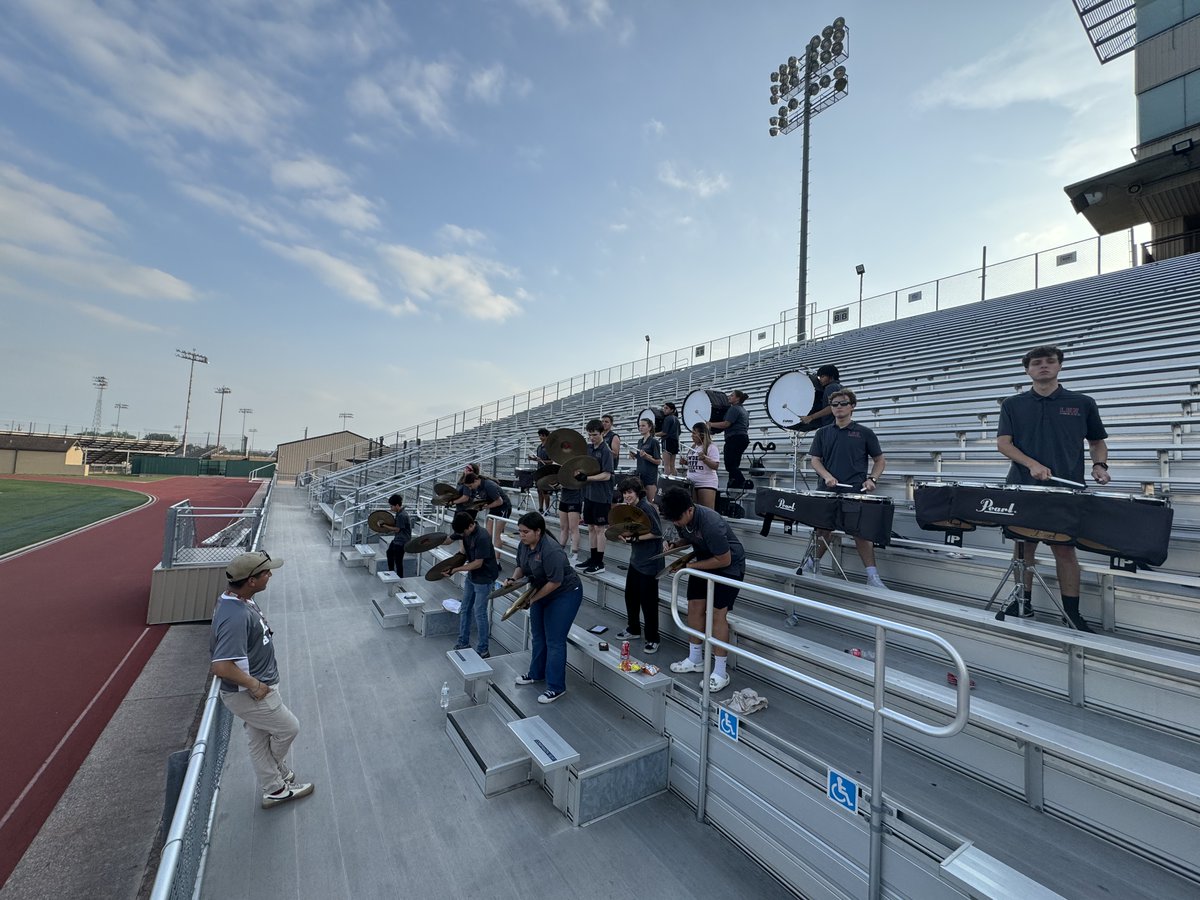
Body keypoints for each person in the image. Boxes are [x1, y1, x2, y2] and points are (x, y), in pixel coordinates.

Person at [996, 344, 1110, 632]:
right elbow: (1004, 444)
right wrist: (1031, 464)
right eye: (1036, 363)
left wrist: (1100, 466)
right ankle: (1023, 602)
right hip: (1023, 486)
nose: (1043, 366)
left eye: (1049, 361)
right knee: (1023, 547)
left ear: (1059, 365)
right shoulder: (1012, 404)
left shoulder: (1083, 402)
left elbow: (1096, 442)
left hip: (1066, 488)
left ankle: (1071, 613)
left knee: (1064, 549)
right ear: (1027, 370)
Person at [209, 551, 314, 809]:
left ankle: (274, 788)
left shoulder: (240, 600)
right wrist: (255, 685)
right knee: (289, 728)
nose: (270, 575)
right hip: (252, 692)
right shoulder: (235, 615)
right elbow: (221, 666)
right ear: (251, 580)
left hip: (255, 687)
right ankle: (276, 771)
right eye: (266, 572)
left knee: (257, 739)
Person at [791, 389, 888, 611]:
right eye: (834, 404)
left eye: (843, 403)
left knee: (861, 533)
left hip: (855, 490)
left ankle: (872, 576)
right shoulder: (823, 432)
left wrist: (872, 479)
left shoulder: (864, 433)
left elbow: (880, 460)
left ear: (852, 406)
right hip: (827, 490)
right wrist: (827, 477)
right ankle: (811, 564)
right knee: (822, 530)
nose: (838, 407)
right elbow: (815, 460)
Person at [662, 488, 745, 692]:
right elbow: (689, 539)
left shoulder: (711, 522)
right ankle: (695, 658)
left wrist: (689, 568)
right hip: (704, 559)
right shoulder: (681, 518)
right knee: (694, 607)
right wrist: (675, 544)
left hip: (729, 567)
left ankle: (720, 671)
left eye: (678, 518)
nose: (676, 523)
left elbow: (723, 559)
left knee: (717, 615)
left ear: (690, 510)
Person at [503, 512, 584, 703]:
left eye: (525, 532)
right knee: (538, 635)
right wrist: (513, 579)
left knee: (555, 640)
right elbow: (521, 567)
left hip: (565, 593)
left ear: (538, 532)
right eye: (520, 531)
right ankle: (536, 673)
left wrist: (531, 600)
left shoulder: (552, 550)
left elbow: (555, 582)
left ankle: (556, 687)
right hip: (541, 590)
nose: (521, 535)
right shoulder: (524, 545)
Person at [615, 476, 664, 653]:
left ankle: (653, 638)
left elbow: (657, 533)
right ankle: (634, 629)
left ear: (637, 492)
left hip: (650, 562)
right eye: (624, 493)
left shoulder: (646, 507)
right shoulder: (632, 508)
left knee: (648, 602)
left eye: (629, 492)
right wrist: (624, 535)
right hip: (636, 561)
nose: (626, 496)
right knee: (631, 596)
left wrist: (634, 538)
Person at [449, 511, 499, 657]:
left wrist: (456, 569)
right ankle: (463, 641)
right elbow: (448, 539)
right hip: (472, 576)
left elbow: (478, 563)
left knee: (480, 613)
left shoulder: (482, 536)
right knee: (465, 609)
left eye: (463, 532)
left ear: (471, 525)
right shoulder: (464, 530)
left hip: (484, 578)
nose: (462, 535)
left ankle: (483, 649)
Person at [576, 418, 615, 573]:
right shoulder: (588, 448)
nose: (592, 438)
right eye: (590, 435)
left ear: (602, 433)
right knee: (591, 527)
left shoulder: (606, 451)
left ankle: (599, 562)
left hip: (602, 495)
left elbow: (607, 475)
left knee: (600, 529)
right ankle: (592, 558)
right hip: (589, 494)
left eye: (595, 435)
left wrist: (588, 478)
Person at [462, 470, 511, 562]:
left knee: (496, 535)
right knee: (488, 535)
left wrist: (486, 507)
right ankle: (489, 557)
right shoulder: (478, 486)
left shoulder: (489, 485)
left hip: (504, 507)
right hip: (494, 508)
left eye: (470, 486)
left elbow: (500, 501)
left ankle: (497, 561)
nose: (471, 488)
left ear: (475, 481)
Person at [709, 389, 751, 490]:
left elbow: (726, 424)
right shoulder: (744, 410)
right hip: (743, 437)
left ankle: (742, 481)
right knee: (734, 463)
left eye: (732, 396)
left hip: (734, 438)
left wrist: (710, 424)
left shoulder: (734, 409)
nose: (729, 397)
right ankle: (734, 482)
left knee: (730, 464)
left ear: (737, 398)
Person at [684, 421, 720, 509]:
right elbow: (695, 463)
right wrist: (685, 462)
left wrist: (705, 459)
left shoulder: (711, 447)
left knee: (707, 511)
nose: (692, 436)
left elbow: (715, 466)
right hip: (692, 482)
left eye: (694, 433)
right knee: (694, 512)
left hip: (705, 483)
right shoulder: (693, 447)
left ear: (702, 434)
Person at [631, 416, 662, 502]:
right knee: (641, 502)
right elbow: (642, 457)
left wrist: (647, 457)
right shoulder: (640, 441)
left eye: (643, 426)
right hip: (640, 474)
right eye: (640, 426)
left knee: (651, 503)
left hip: (650, 476)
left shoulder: (653, 442)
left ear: (650, 427)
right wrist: (635, 455)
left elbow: (658, 461)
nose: (640, 427)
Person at [801, 364, 843, 430]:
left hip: (832, 427)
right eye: (819, 377)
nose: (820, 379)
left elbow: (832, 407)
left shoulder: (831, 387)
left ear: (831, 377)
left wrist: (811, 417)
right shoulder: (839, 387)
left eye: (822, 377)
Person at [381, 493, 413, 578]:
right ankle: (391, 573)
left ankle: (400, 579)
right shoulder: (399, 513)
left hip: (402, 541)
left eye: (392, 506)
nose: (390, 508)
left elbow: (397, 529)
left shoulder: (402, 515)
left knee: (398, 561)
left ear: (397, 505)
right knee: (389, 553)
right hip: (398, 539)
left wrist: (384, 525)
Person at [558, 476, 584, 563]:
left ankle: (575, 552)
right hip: (564, 498)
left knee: (573, 528)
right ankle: (560, 550)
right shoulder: (563, 469)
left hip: (575, 499)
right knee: (563, 527)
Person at [529, 427, 553, 514]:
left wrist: (541, 460)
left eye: (543, 435)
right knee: (539, 491)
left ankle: (547, 508)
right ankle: (540, 508)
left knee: (545, 491)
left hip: (546, 472)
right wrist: (533, 459)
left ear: (547, 436)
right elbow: (538, 459)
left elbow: (551, 461)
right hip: (539, 471)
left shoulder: (549, 447)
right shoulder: (539, 447)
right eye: (540, 435)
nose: (541, 437)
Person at [658, 401, 681, 476]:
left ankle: (666, 483)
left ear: (671, 410)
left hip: (667, 441)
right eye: (664, 408)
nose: (664, 409)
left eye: (666, 408)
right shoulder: (677, 419)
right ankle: (675, 481)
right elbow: (679, 432)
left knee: (666, 465)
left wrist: (653, 434)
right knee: (672, 465)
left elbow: (664, 432)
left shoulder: (667, 418)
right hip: (675, 442)